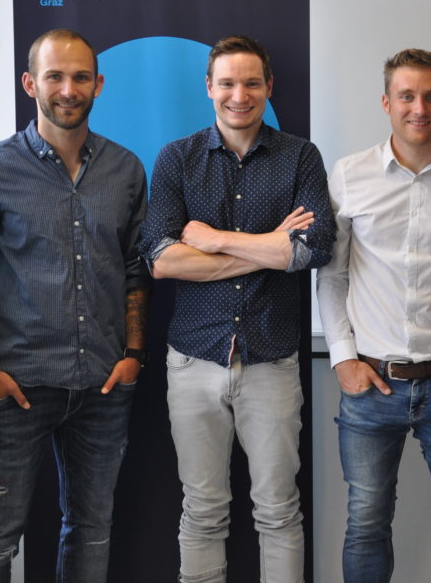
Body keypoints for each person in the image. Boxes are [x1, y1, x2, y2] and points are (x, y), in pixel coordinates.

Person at [0, 28, 150, 582]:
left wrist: (133, 354)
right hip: (18, 388)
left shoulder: (126, 170)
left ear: (99, 84)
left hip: (104, 387)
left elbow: (135, 269)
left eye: (81, 76)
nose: (68, 88)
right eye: (55, 75)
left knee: (92, 531)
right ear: (30, 82)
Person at [139, 34, 334, 583]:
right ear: (209, 88)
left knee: (278, 511)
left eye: (251, 82)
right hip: (193, 359)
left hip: (271, 359)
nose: (239, 95)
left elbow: (315, 248)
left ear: (269, 87)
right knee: (202, 512)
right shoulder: (177, 158)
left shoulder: (301, 156)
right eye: (227, 83)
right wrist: (271, 246)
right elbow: (162, 258)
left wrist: (214, 238)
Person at [318, 48, 431, 583]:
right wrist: (343, 359)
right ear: (387, 103)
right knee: (366, 524)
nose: (419, 107)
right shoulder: (349, 176)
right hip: (373, 386)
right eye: (406, 96)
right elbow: (332, 277)